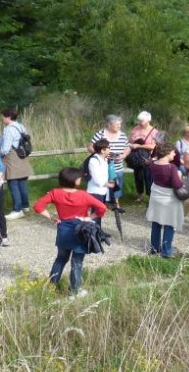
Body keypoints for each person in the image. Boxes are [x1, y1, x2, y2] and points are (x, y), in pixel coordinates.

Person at [32, 167, 109, 296]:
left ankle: (51, 287)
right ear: (75, 181)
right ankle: (75, 291)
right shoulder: (83, 195)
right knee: (77, 262)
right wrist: (91, 217)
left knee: (61, 259)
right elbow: (102, 207)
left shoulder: (55, 193)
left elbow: (37, 206)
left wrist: (51, 217)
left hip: (63, 230)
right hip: (80, 231)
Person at [145, 141, 186, 258]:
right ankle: (166, 252)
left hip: (156, 196)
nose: (174, 155)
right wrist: (180, 177)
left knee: (156, 222)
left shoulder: (153, 164)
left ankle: (154, 248)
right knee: (169, 223)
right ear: (167, 152)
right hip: (169, 199)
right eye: (173, 152)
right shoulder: (171, 167)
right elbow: (177, 185)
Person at [0, 107, 34, 218]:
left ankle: (17, 210)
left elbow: (5, 148)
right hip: (21, 156)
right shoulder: (20, 126)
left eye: (3, 116)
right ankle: (25, 206)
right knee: (22, 183)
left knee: (13, 184)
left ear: (8, 117)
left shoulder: (9, 129)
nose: (2, 118)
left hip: (11, 158)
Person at [91, 115, 131, 209]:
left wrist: (123, 155)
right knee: (102, 183)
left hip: (117, 166)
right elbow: (90, 147)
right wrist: (101, 153)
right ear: (109, 124)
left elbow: (127, 148)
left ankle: (116, 203)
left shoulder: (122, 135)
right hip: (102, 166)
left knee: (117, 184)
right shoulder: (100, 134)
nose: (119, 126)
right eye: (117, 124)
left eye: (120, 124)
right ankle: (101, 204)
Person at [128, 111, 160, 201]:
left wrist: (139, 146)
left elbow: (153, 146)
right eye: (139, 121)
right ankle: (139, 195)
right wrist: (132, 145)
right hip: (137, 156)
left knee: (148, 177)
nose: (139, 123)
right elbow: (130, 141)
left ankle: (151, 196)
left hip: (148, 158)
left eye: (141, 121)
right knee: (138, 176)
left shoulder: (154, 132)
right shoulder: (136, 129)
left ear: (148, 121)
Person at [85, 137, 118, 206]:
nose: (110, 149)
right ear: (103, 150)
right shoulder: (94, 161)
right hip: (95, 192)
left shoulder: (105, 160)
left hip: (103, 191)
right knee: (96, 214)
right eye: (109, 147)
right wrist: (111, 185)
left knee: (99, 213)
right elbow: (98, 180)